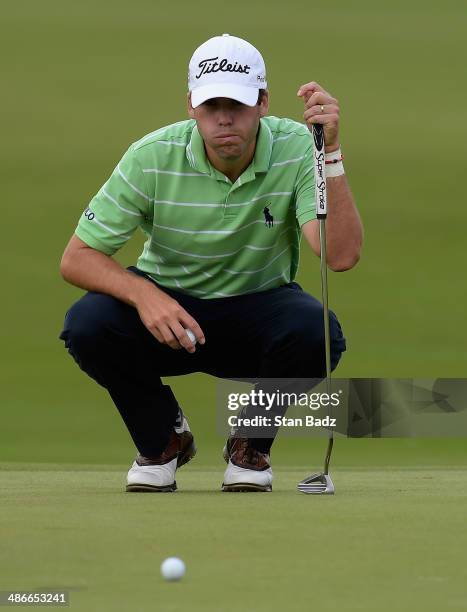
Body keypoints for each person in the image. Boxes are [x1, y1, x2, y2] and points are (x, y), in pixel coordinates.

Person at [59, 34, 362, 493]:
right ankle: (163, 439)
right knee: (87, 323)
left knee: (315, 332)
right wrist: (145, 295)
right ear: (191, 106)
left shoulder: (300, 147)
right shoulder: (152, 156)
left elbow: (340, 256)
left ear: (262, 102)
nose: (224, 119)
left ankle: (250, 443)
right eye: (211, 105)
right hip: (169, 315)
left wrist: (331, 154)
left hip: (258, 310)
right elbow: (77, 257)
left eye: (237, 105)